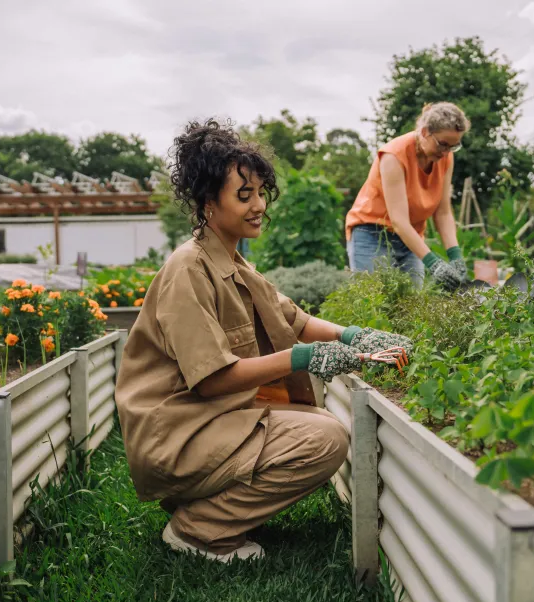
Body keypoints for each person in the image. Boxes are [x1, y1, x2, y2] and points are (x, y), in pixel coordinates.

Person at [115, 119, 412, 563]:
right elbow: (213, 382)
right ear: (207, 202)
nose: (258, 206)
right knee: (325, 439)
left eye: (259, 193)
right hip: (178, 434)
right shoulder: (188, 271)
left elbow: (293, 318)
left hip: (209, 420)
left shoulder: (231, 260)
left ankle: (202, 506)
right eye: (243, 195)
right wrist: (303, 359)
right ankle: (198, 530)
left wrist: (355, 336)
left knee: (307, 417)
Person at [345, 102, 471, 289]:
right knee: (373, 303)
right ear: (425, 132)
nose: (446, 153)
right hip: (372, 233)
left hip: (411, 237)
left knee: (412, 305)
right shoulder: (394, 156)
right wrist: (434, 263)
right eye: (443, 144)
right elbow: (399, 221)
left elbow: (443, 212)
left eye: (453, 147)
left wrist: (455, 256)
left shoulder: (445, 158)